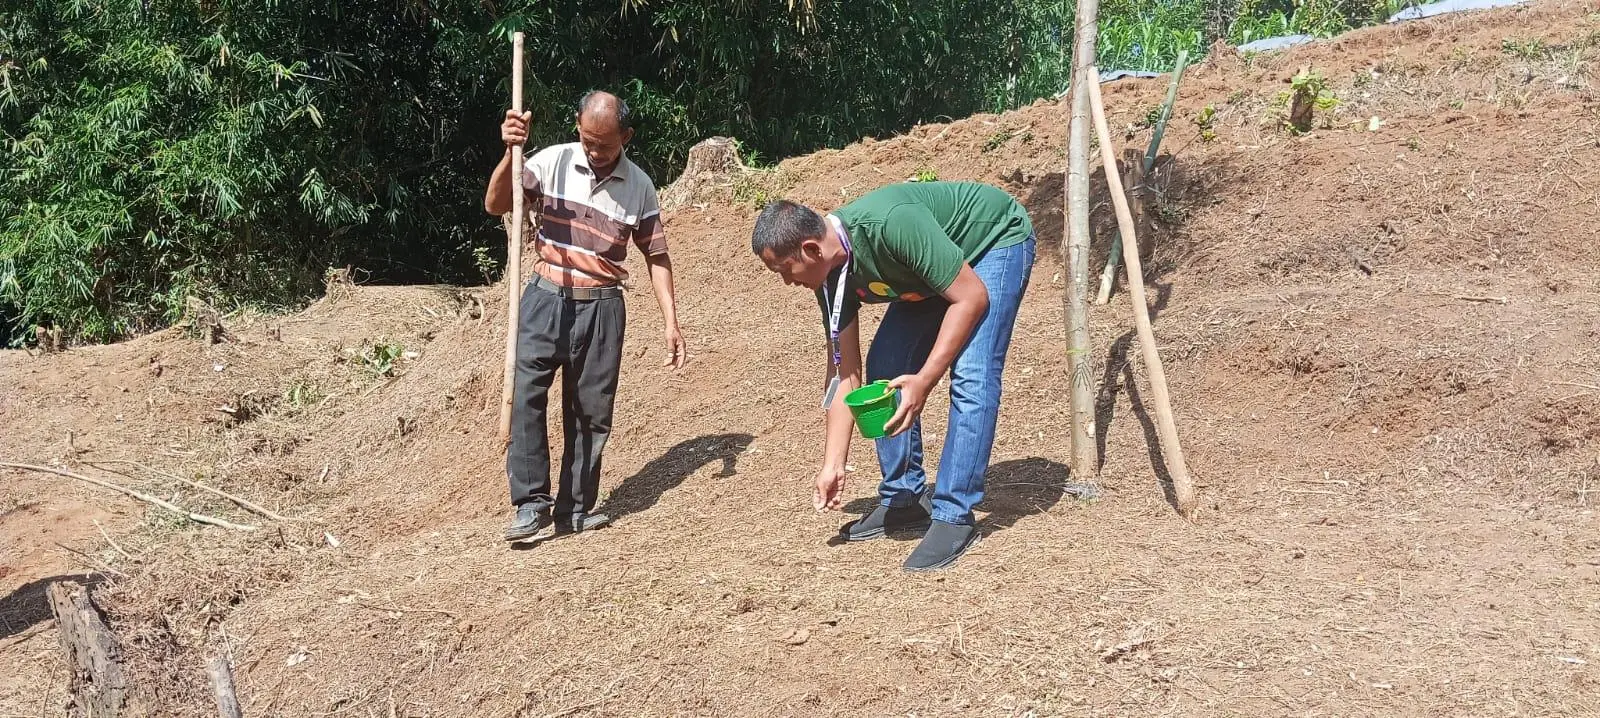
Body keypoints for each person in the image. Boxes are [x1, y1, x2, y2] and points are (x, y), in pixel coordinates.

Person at [751, 181, 1036, 571]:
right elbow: (844, 373)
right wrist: (834, 462)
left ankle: (954, 514)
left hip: (990, 242)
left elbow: (971, 298)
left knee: (972, 373)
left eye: (785, 270)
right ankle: (904, 500)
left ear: (811, 249)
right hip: (928, 273)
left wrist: (924, 379)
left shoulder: (889, 225)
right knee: (884, 367)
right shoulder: (830, 276)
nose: (787, 282)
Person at [484, 91, 686, 541]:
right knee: (525, 395)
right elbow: (497, 204)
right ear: (577, 126)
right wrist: (510, 152)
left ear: (626, 137)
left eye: (605, 145)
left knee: (591, 410)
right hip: (544, 295)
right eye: (588, 140)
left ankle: (574, 508)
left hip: (603, 306)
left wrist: (670, 320)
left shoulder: (639, 187)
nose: (594, 152)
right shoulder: (551, 161)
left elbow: (655, 255)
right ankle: (531, 506)